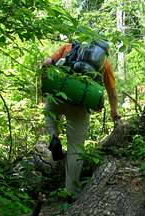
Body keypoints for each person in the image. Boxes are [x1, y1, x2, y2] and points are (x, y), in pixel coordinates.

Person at [42, 41, 120, 197]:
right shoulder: (105, 62)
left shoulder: (70, 47)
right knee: (76, 148)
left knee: (49, 114)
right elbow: (112, 91)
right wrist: (114, 112)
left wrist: (46, 84)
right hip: (79, 105)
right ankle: (70, 192)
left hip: (58, 95)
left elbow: (47, 63)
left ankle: (53, 137)